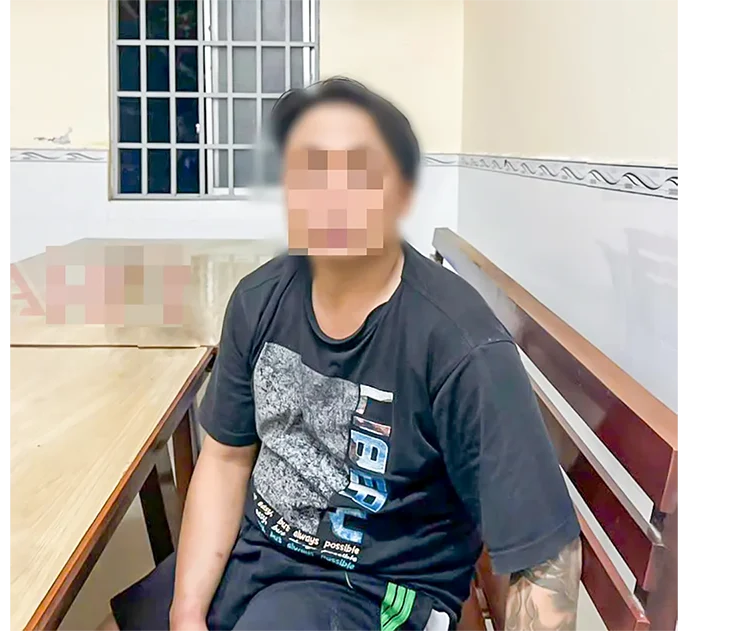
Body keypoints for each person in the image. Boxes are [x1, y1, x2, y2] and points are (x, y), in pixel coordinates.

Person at [97, 77, 581, 631]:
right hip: (258, 555)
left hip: (376, 590)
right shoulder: (259, 300)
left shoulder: (459, 345)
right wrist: (186, 614)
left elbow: (547, 556)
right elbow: (227, 459)